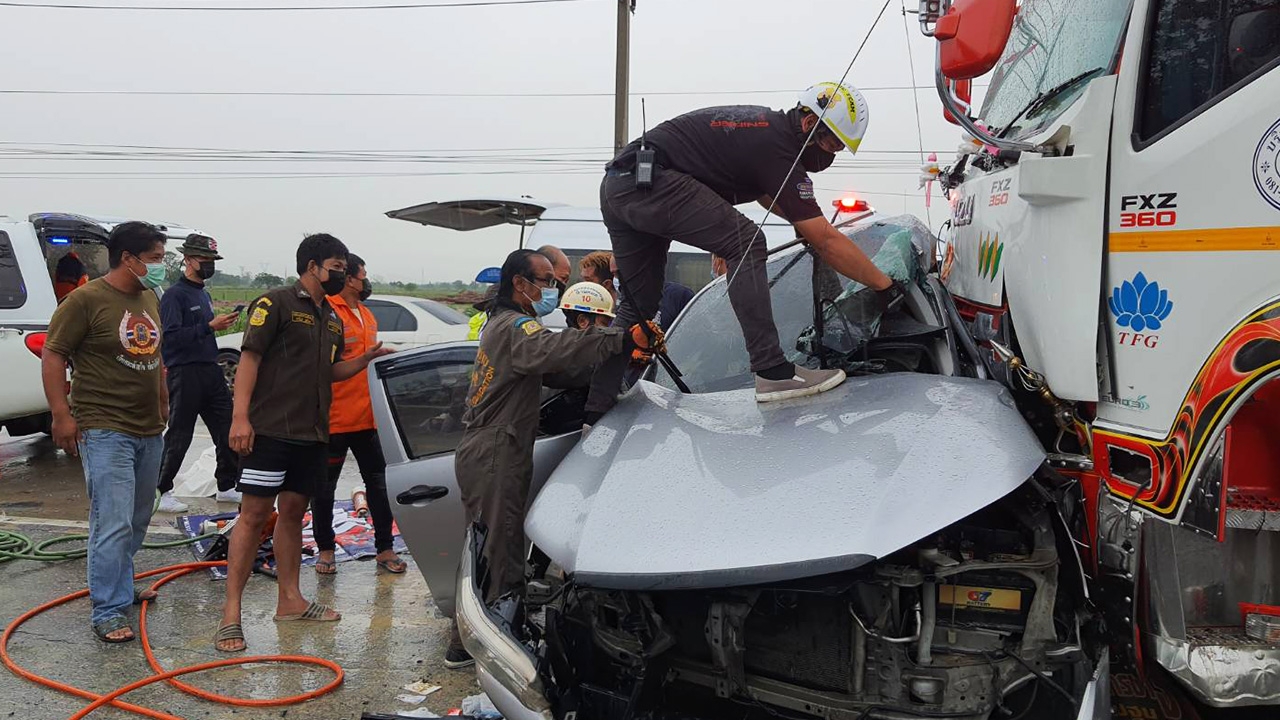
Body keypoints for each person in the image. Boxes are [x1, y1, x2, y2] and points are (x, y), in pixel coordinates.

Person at [585, 83, 903, 422]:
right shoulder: (777, 145)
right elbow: (824, 238)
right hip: (651, 179)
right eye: (831, 143)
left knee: (639, 304)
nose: (831, 155)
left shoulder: (765, 132)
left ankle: (595, 411)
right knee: (747, 242)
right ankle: (773, 372)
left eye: (839, 148)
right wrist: (886, 286)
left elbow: (770, 196)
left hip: (621, 185)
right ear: (809, 123)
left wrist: (802, 219)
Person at [445, 249, 662, 669]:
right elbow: (555, 349)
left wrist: (619, 359)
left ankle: (466, 641)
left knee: (489, 548)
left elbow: (558, 372)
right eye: (545, 281)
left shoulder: (503, 325)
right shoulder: (516, 326)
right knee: (501, 552)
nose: (550, 290)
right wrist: (621, 338)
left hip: (491, 446)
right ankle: (495, 649)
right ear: (520, 284)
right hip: (495, 448)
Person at [215, 234, 392, 654]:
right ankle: (230, 613)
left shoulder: (330, 317)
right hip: (270, 431)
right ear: (313, 266)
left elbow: (330, 373)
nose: (343, 275)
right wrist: (240, 418)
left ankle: (290, 600)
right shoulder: (274, 304)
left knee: (294, 513)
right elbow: (250, 360)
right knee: (254, 515)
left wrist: (365, 360)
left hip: (313, 434)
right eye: (336, 266)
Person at [41, 221, 169, 643]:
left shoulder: (148, 296)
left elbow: (155, 354)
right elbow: (54, 354)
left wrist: (164, 398)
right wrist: (62, 414)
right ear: (128, 259)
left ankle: (121, 583)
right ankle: (108, 610)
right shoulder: (85, 300)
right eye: (153, 259)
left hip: (149, 427)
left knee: (136, 518)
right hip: (104, 426)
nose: (159, 266)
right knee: (111, 521)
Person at [311, 254, 405, 576]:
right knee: (323, 489)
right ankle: (326, 549)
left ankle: (385, 549)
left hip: (368, 418)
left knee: (379, 487)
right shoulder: (329, 312)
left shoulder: (366, 314)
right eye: (363, 275)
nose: (366, 281)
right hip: (335, 419)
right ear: (350, 279)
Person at [155, 234, 242, 514]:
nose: (208, 266)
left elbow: (205, 328)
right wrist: (208, 327)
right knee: (180, 433)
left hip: (209, 368)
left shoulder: (202, 293)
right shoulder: (174, 296)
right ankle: (161, 489)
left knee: (227, 428)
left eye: (211, 261)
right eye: (204, 261)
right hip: (185, 371)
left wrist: (217, 325)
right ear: (188, 260)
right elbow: (170, 337)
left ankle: (227, 485)